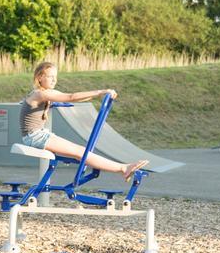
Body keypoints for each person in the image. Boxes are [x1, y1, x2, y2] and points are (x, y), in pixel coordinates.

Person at [19, 62, 148, 180]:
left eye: (55, 76)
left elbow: (73, 98)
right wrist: (100, 92)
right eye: (50, 76)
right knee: (81, 152)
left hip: (37, 135)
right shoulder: (40, 94)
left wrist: (97, 95)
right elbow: (70, 97)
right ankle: (123, 168)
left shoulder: (44, 93)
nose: (54, 79)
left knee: (80, 152)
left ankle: (122, 168)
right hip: (35, 137)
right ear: (40, 77)